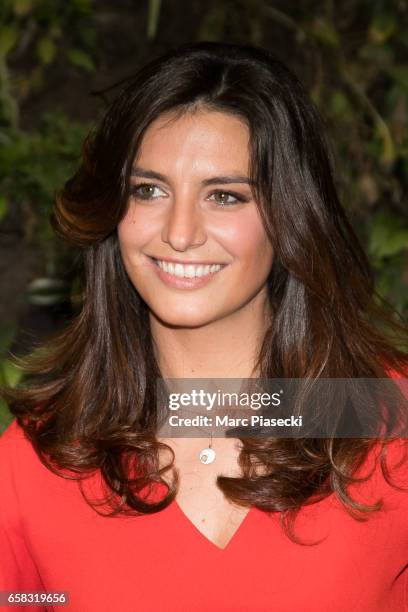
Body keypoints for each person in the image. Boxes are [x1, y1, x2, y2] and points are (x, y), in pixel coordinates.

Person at [0, 40, 407, 612]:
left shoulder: (388, 425)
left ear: (289, 216)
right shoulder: (37, 460)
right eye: (149, 190)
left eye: (224, 195)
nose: (181, 231)